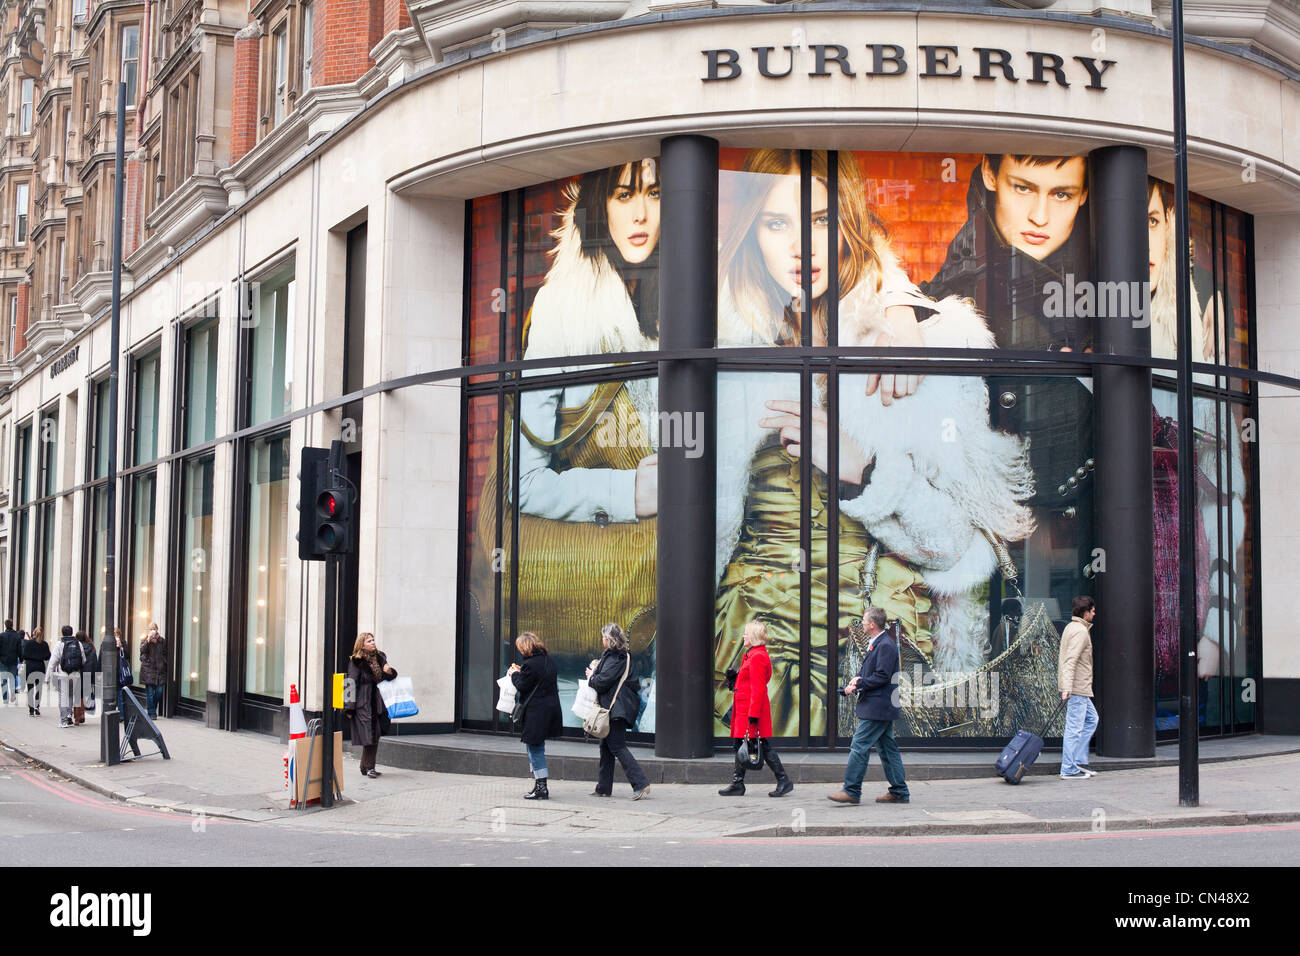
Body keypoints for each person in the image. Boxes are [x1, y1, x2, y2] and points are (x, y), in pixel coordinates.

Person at [713, 148, 1036, 737]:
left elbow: (963, 552)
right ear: (751, 233)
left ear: (849, 224)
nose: (801, 247)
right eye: (777, 223)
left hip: (871, 653)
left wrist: (863, 470)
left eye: (818, 220)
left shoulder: (923, 343)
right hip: (744, 642)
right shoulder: (725, 350)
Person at [471, 158, 663, 719]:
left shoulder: (679, 306)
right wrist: (628, 493)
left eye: (654, 193)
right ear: (598, 206)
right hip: (596, 605)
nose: (642, 213)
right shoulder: (565, 312)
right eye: (624, 195)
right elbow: (522, 480)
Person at [1147, 176, 1245, 687]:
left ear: (1168, 232)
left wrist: (1215, 632)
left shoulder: (1196, 364)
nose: (1140, 244)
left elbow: (1226, 508)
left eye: (1150, 222)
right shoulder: (1079, 350)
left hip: (1186, 583)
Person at [828, 608, 910, 805]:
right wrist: (856, 682)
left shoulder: (885, 646)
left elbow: (882, 676)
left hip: (878, 707)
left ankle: (851, 790)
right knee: (887, 749)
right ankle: (899, 791)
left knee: (859, 746)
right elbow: (872, 673)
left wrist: (860, 683)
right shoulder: (879, 643)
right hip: (879, 705)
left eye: (864, 620)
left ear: (873, 624)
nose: (862, 623)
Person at [718, 620, 792, 797]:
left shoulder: (757, 657)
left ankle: (783, 780)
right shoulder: (752, 654)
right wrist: (733, 679)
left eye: (746, 633)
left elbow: (758, 688)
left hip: (750, 709)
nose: (743, 636)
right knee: (741, 744)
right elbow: (748, 683)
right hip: (745, 708)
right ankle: (738, 783)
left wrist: (753, 715)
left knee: (759, 745)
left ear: (753, 637)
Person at [586, 622, 650, 799]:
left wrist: (592, 676)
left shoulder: (617, 658)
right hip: (615, 708)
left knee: (617, 746)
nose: (602, 640)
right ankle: (603, 788)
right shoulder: (617, 657)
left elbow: (602, 681)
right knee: (606, 747)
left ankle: (640, 783)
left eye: (604, 637)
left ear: (609, 639)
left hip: (616, 709)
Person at [509, 632, 564, 800]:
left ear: (525, 647)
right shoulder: (549, 661)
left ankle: (541, 787)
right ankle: (538, 784)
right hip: (550, 710)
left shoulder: (530, 665)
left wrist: (514, 674)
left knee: (535, 748)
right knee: (535, 747)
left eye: (520, 647)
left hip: (536, 712)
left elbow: (523, 685)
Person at [344, 632, 396, 778]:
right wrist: (349, 707)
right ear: (362, 644)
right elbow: (351, 683)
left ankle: (365, 766)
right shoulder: (356, 661)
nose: (373, 643)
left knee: (375, 734)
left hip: (378, 702)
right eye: (369, 641)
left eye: (373, 640)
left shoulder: (380, 657)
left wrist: (389, 671)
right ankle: (369, 768)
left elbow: (388, 678)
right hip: (363, 703)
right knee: (370, 735)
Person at [1058, 595, 1099, 779]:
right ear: (1085, 612)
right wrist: (1067, 687)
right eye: (1092, 610)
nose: (1094, 613)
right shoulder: (1080, 632)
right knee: (1074, 728)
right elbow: (1070, 661)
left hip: (1078, 687)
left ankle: (1077, 761)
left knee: (1092, 719)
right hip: (1077, 687)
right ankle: (1068, 768)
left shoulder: (1071, 627)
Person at [50, 625, 83, 727]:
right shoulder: (78, 643)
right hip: (75, 674)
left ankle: (64, 721)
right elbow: (83, 659)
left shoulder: (59, 644)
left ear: (62, 633)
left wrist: (48, 676)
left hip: (63, 674)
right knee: (70, 695)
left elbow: (53, 661)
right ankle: (69, 715)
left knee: (63, 697)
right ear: (72, 632)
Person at [138, 623, 166, 720]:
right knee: (149, 692)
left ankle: (152, 708)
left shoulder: (161, 641)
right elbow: (141, 650)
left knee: (159, 691)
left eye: (154, 629)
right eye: (150, 629)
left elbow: (165, 653)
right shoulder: (145, 640)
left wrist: (164, 663)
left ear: (157, 629)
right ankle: (151, 713)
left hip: (159, 670)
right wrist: (148, 641)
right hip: (148, 669)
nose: (152, 631)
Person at [20, 627, 49, 716]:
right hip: (40, 666)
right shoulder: (44, 644)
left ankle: (31, 709)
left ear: (33, 633)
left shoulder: (29, 643)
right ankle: (37, 706)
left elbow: (24, 655)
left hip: (30, 667)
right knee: (39, 688)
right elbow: (48, 656)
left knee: (30, 688)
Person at [74, 631, 98, 724]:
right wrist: (94, 678)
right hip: (88, 673)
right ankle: (82, 714)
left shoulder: (76, 647)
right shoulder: (91, 647)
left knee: (77, 695)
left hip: (78, 672)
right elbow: (94, 662)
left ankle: (76, 717)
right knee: (84, 695)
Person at [0, 619, 21, 703]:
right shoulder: (17, 636)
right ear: (12, 625)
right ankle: (13, 693)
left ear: (5, 625)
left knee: (4, 680)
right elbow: (19, 649)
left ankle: (5, 699)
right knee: (12, 678)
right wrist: (21, 658)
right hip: (13, 660)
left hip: (3, 661)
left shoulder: (1, 636)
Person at [113, 628, 132, 715]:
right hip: (111, 671)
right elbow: (101, 656)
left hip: (120, 672)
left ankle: (121, 714)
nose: (115, 636)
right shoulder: (107, 643)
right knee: (111, 694)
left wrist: (121, 647)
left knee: (120, 693)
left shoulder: (123, 643)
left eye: (117, 634)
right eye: (114, 634)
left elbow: (127, 655)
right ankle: (112, 712)